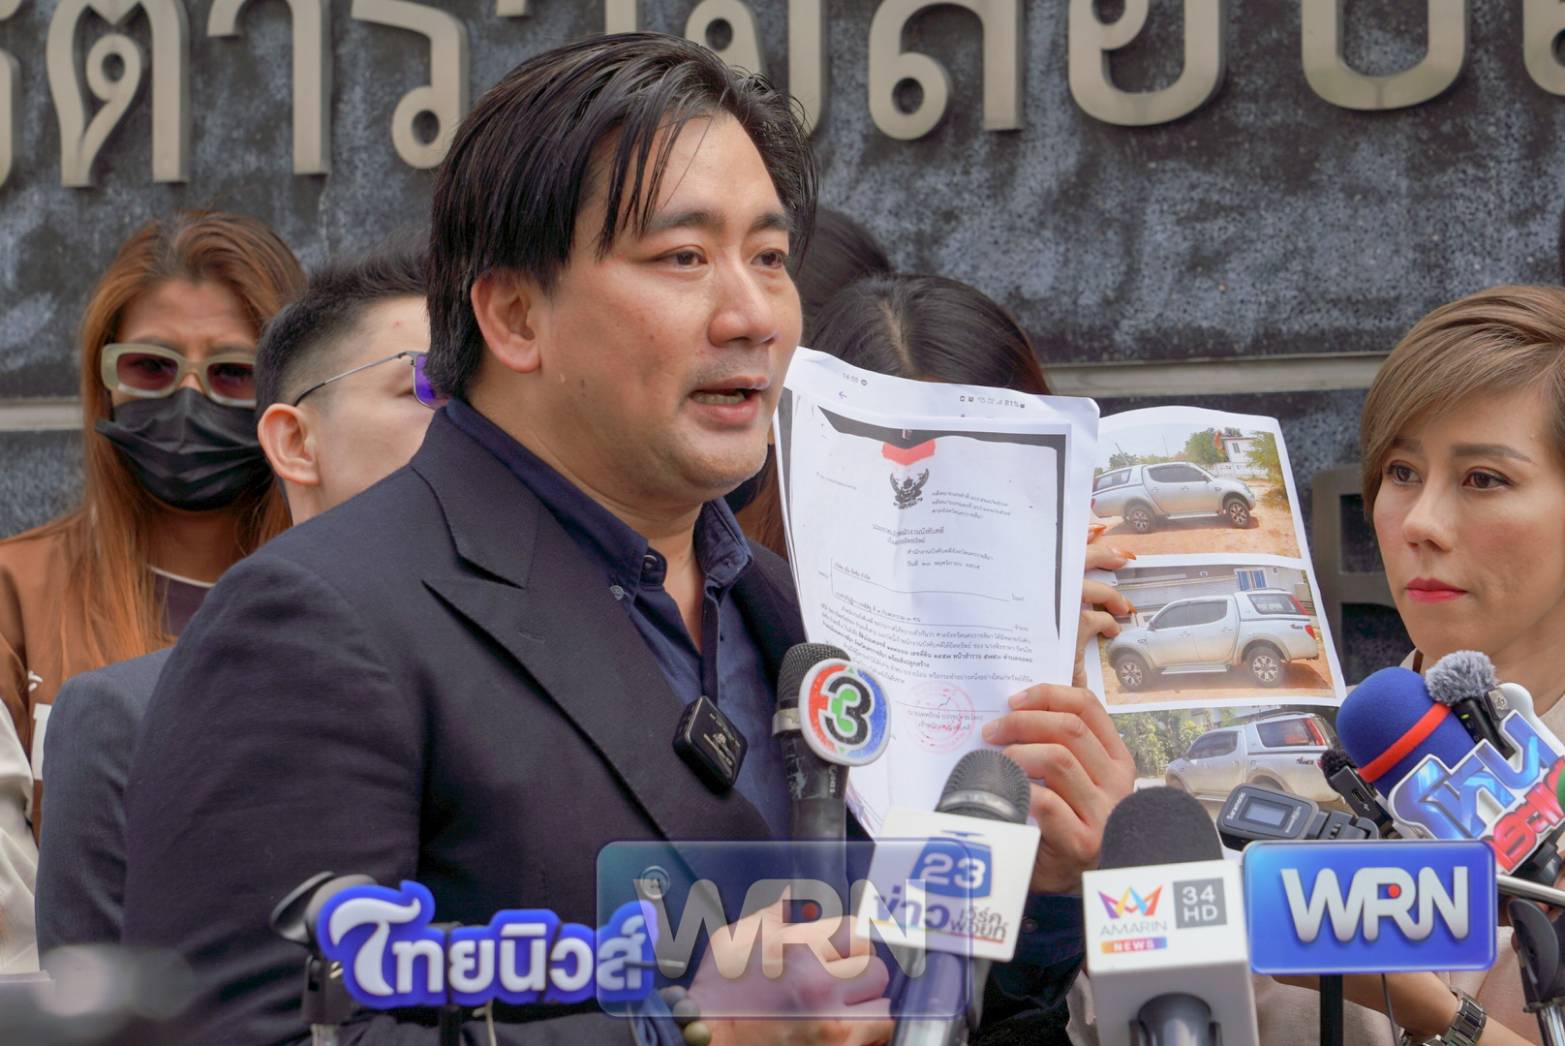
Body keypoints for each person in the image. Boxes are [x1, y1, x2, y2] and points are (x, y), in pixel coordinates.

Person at [121, 34, 1133, 1044]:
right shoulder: (316, 622)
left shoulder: (797, 609)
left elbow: (894, 1004)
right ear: (515, 315)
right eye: (682, 257)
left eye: (768, 258)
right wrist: (688, 1030)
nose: (751, 314)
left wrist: (1037, 898)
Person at [34, 243, 437, 957]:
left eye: (231, 373)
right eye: (427, 388)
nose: (188, 401)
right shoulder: (117, 705)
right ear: (293, 437)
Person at [0, 211, 302, 972]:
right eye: (151, 368)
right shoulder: (13, 595)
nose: (188, 400)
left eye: (232, 373)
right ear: (104, 382)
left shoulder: (353, 601)